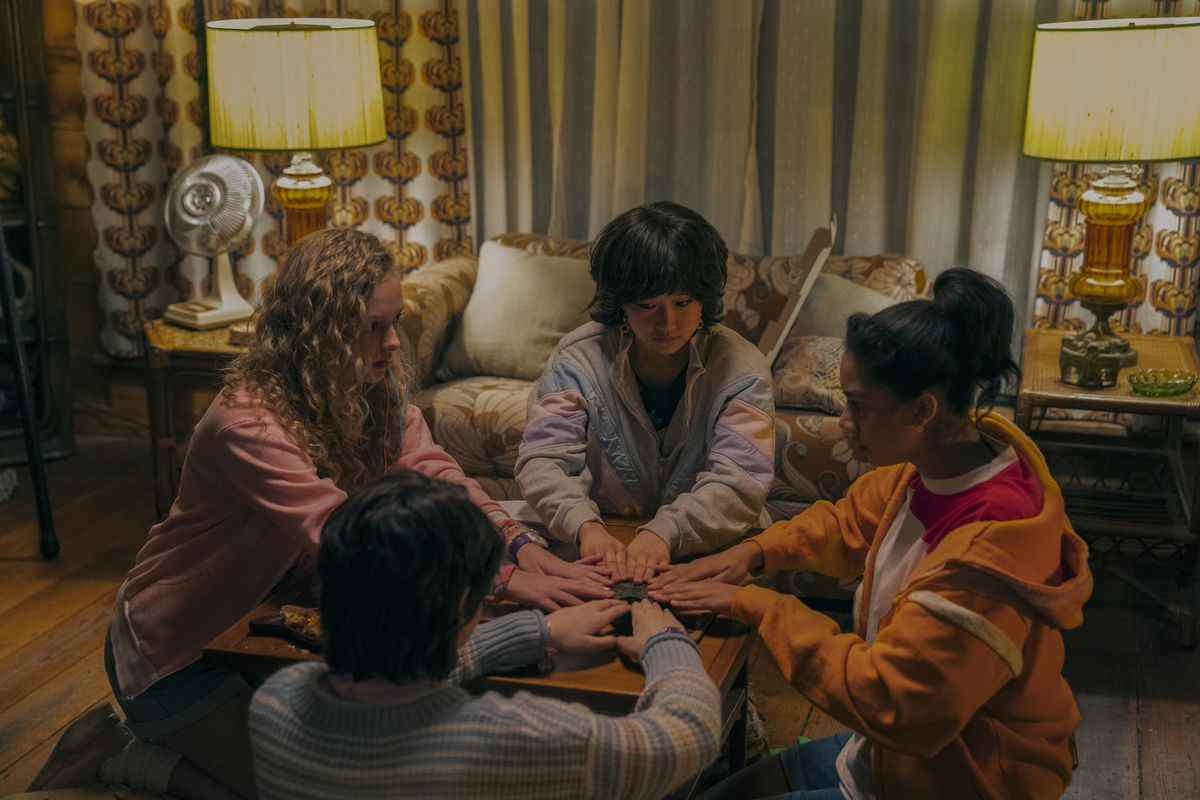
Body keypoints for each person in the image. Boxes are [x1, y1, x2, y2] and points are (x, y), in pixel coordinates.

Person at [31, 229, 607, 800]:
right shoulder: (247, 424)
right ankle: (125, 756)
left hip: (267, 631)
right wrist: (505, 583)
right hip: (176, 653)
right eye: (371, 329)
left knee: (367, 759)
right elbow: (351, 538)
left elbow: (438, 474)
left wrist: (520, 544)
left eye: (393, 322)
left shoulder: (373, 388)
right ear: (317, 334)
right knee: (308, 790)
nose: (392, 345)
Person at [652, 268, 1093, 800]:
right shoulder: (937, 466)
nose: (843, 419)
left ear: (923, 410)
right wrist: (752, 554)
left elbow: (892, 701)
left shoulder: (986, 559)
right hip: (893, 758)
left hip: (965, 779)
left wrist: (760, 607)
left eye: (858, 405)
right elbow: (847, 523)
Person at [248, 469, 721, 799]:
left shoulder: (275, 703)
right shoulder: (514, 737)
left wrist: (537, 629)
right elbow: (690, 735)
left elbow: (393, 683)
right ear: (464, 608)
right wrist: (667, 645)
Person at [514, 201, 775, 583]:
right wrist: (585, 526)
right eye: (646, 305)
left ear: (705, 298)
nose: (667, 323)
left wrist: (662, 533)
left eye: (683, 303)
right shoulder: (576, 360)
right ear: (620, 302)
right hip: (604, 542)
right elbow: (543, 460)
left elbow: (739, 481)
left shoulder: (743, 369)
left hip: (713, 546)